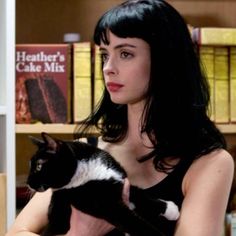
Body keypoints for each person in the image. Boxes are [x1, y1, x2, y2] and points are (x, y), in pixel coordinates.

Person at [6, 0, 234, 235]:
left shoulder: (209, 164)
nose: (108, 67)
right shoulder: (80, 154)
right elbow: (17, 232)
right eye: (105, 55)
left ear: (165, 60)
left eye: (125, 53)